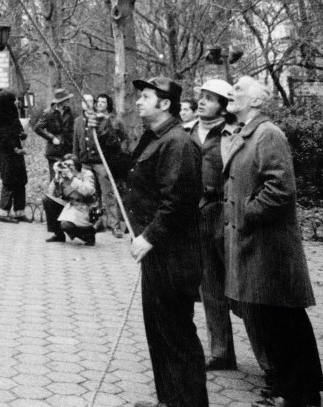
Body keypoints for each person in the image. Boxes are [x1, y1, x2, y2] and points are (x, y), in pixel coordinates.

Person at [223, 76, 323, 407]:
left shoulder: (268, 133)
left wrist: (247, 214)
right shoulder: (247, 133)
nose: (232, 93)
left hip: (270, 248)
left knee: (284, 320)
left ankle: (301, 395)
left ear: (256, 101)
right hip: (256, 245)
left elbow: (281, 188)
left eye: (239, 89)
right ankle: (287, 387)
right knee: (271, 320)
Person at [124, 75, 207, 407]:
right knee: (159, 332)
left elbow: (178, 202)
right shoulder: (155, 138)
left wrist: (149, 236)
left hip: (174, 256)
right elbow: (131, 172)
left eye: (146, 96)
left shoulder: (179, 144)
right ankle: (170, 400)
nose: (139, 101)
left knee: (176, 335)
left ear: (165, 104)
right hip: (159, 255)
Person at [188, 78, 240, 371]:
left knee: (242, 287)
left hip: (226, 212)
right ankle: (221, 352)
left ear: (223, 104)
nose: (202, 101)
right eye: (201, 96)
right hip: (199, 214)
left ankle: (272, 362)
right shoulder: (190, 131)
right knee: (210, 286)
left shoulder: (233, 133)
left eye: (210, 97)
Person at [73, 92, 128, 238]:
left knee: (107, 193)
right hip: (86, 163)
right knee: (91, 195)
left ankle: (114, 225)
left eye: (92, 102)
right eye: (86, 102)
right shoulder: (78, 121)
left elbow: (111, 140)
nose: (89, 104)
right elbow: (76, 143)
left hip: (100, 162)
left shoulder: (102, 120)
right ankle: (96, 223)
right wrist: (76, 161)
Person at [0, 91, 28, 223]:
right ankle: (4, 213)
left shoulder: (12, 112)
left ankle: (19, 212)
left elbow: (17, 125)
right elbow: (3, 135)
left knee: (21, 180)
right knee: (8, 181)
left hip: (16, 150)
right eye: (13, 101)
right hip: (7, 152)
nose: (15, 103)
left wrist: (22, 133)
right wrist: (15, 148)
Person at [48, 155, 99, 245]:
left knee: (66, 225)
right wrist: (56, 175)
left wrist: (71, 177)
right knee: (47, 200)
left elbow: (87, 191)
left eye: (70, 165)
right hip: (70, 205)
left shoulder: (86, 173)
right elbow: (52, 194)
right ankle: (58, 235)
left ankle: (89, 235)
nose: (67, 167)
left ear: (76, 165)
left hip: (85, 206)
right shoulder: (62, 174)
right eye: (65, 165)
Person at [32, 88, 75, 178]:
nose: (68, 101)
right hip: (54, 151)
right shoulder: (48, 113)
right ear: (62, 101)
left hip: (67, 150)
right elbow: (37, 128)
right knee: (56, 178)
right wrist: (52, 138)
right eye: (66, 99)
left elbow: (71, 130)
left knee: (67, 178)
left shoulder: (69, 112)